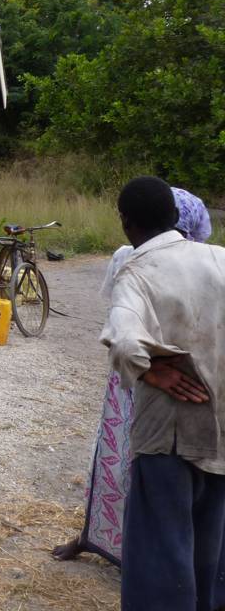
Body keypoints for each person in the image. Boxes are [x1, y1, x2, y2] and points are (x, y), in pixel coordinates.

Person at [53, 186, 214, 567]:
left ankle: (143, 555)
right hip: (190, 382)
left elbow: (120, 332)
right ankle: (125, 546)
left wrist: (146, 368)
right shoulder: (210, 260)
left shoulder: (132, 261)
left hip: (141, 380)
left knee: (134, 465)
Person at [97, 176, 225, 609]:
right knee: (210, 546)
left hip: (168, 435)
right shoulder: (220, 258)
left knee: (162, 554)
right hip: (221, 431)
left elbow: (126, 342)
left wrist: (151, 372)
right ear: (176, 217)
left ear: (126, 222)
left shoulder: (136, 272)